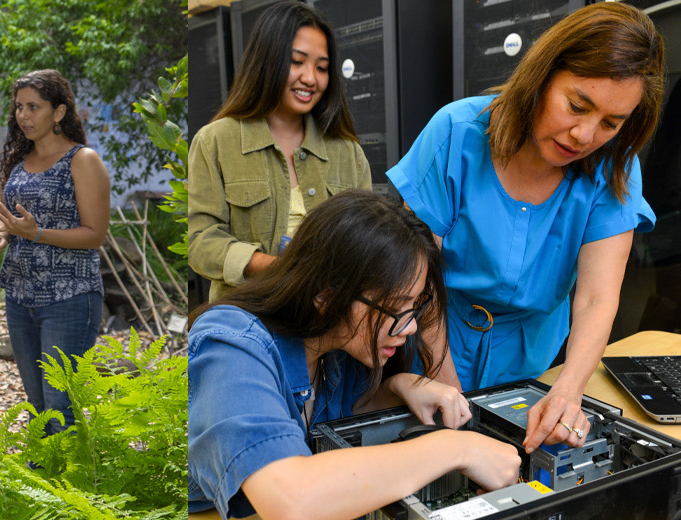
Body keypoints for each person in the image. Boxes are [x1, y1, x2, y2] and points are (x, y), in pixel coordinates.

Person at [389, 2, 663, 451]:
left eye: (610, 123)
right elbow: (417, 282)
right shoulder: (455, 133)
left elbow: (597, 297)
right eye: (577, 105)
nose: (584, 135)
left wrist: (568, 392)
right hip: (433, 342)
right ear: (543, 74)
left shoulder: (615, 167)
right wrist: (448, 394)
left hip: (537, 361)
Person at [189, 190, 518, 519]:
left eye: (414, 307)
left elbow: (338, 417)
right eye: (395, 307)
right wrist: (456, 448)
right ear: (325, 295)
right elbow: (290, 499)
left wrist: (397, 387)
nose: (411, 328)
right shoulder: (229, 346)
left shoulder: (335, 346)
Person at [187, 2, 371, 302]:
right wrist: (283, 270)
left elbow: (365, 242)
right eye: (297, 62)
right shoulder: (216, 142)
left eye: (322, 67)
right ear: (266, 61)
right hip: (247, 324)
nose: (311, 78)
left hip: (328, 328)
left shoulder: (348, 152)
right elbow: (202, 243)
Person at [0, 70, 110, 436]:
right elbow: (8, 221)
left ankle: (66, 489)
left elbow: (94, 234)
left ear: (59, 112)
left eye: (34, 107)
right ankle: (39, 485)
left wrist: (36, 233)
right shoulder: (18, 164)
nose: (23, 115)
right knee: (37, 407)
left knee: (61, 408)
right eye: (19, 107)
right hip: (20, 298)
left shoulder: (82, 160)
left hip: (69, 299)